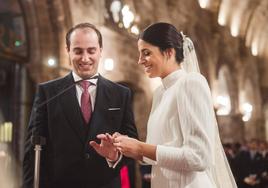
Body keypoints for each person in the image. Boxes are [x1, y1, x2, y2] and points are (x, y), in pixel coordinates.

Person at [107, 22, 237, 187]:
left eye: (146, 53)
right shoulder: (160, 93)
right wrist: (124, 146)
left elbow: (198, 157)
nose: (140, 61)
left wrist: (140, 147)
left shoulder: (191, 83)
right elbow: (157, 152)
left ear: (169, 52)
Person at [22, 22, 138, 188]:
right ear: (68, 51)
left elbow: (133, 145)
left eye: (91, 50)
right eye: (78, 51)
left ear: (100, 51)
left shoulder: (121, 94)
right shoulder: (47, 92)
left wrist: (114, 156)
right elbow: (32, 152)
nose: (85, 58)